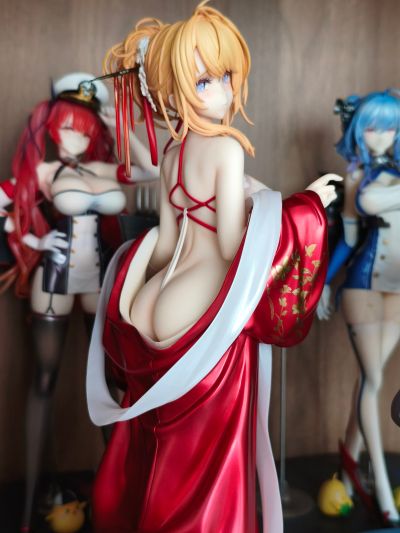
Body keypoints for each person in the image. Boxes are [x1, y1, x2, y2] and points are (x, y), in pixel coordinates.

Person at [86, 3, 341, 532]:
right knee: (199, 462)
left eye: (226, 76)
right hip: (201, 297)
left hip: (157, 295)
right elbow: (229, 246)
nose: (223, 91)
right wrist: (302, 208)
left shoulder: (172, 154)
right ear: (175, 89)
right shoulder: (225, 149)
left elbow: (166, 241)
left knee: (160, 445)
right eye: (204, 81)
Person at [0, 72, 159, 532]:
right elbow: (4, 201)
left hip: (98, 280)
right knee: (44, 381)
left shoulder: (102, 170)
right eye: (68, 128)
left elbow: (152, 169)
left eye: (85, 131)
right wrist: (32, 239)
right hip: (55, 278)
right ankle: (31, 502)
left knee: (107, 383)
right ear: (50, 127)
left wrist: (116, 125)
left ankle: (118, 495)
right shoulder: (46, 173)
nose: (76, 138)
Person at [318, 90, 400, 524]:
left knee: (372, 379)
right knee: (373, 379)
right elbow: (350, 239)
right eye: (372, 127)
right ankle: (383, 492)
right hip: (364, 283)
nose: (381, 136)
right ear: (357, 130)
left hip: (398, 288)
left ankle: (348, 467)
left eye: (390, 127)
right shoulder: (355, 176)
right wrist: (325, 283)